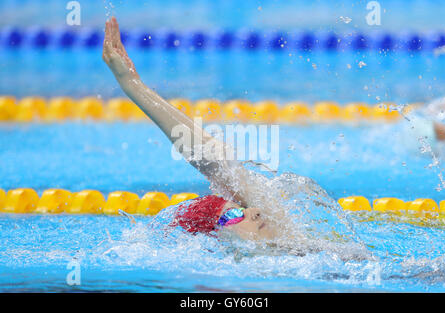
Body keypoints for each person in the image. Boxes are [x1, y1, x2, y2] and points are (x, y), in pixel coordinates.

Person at [103, 17, 370, 260]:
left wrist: (132, 84)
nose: (253, 211)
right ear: (213, 241)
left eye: (241, 207)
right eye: (232, 214)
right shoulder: (234, 270)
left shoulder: (296, 243)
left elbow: (216, 161)